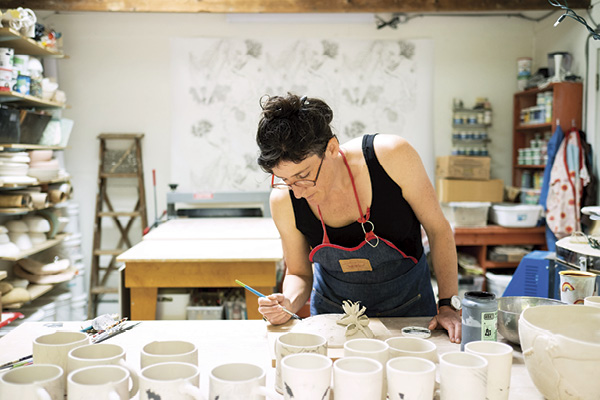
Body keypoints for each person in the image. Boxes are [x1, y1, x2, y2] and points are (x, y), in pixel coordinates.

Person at [255, 93, 461, 343]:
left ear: (331, 148)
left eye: (304, 175)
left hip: (411, 314)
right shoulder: (284, 200)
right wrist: (288, 301)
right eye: (285, 180)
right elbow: (299, 273)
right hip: (335, 321)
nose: (298, 191)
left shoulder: (391, 157)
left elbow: (438, 229)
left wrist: (448, 305)